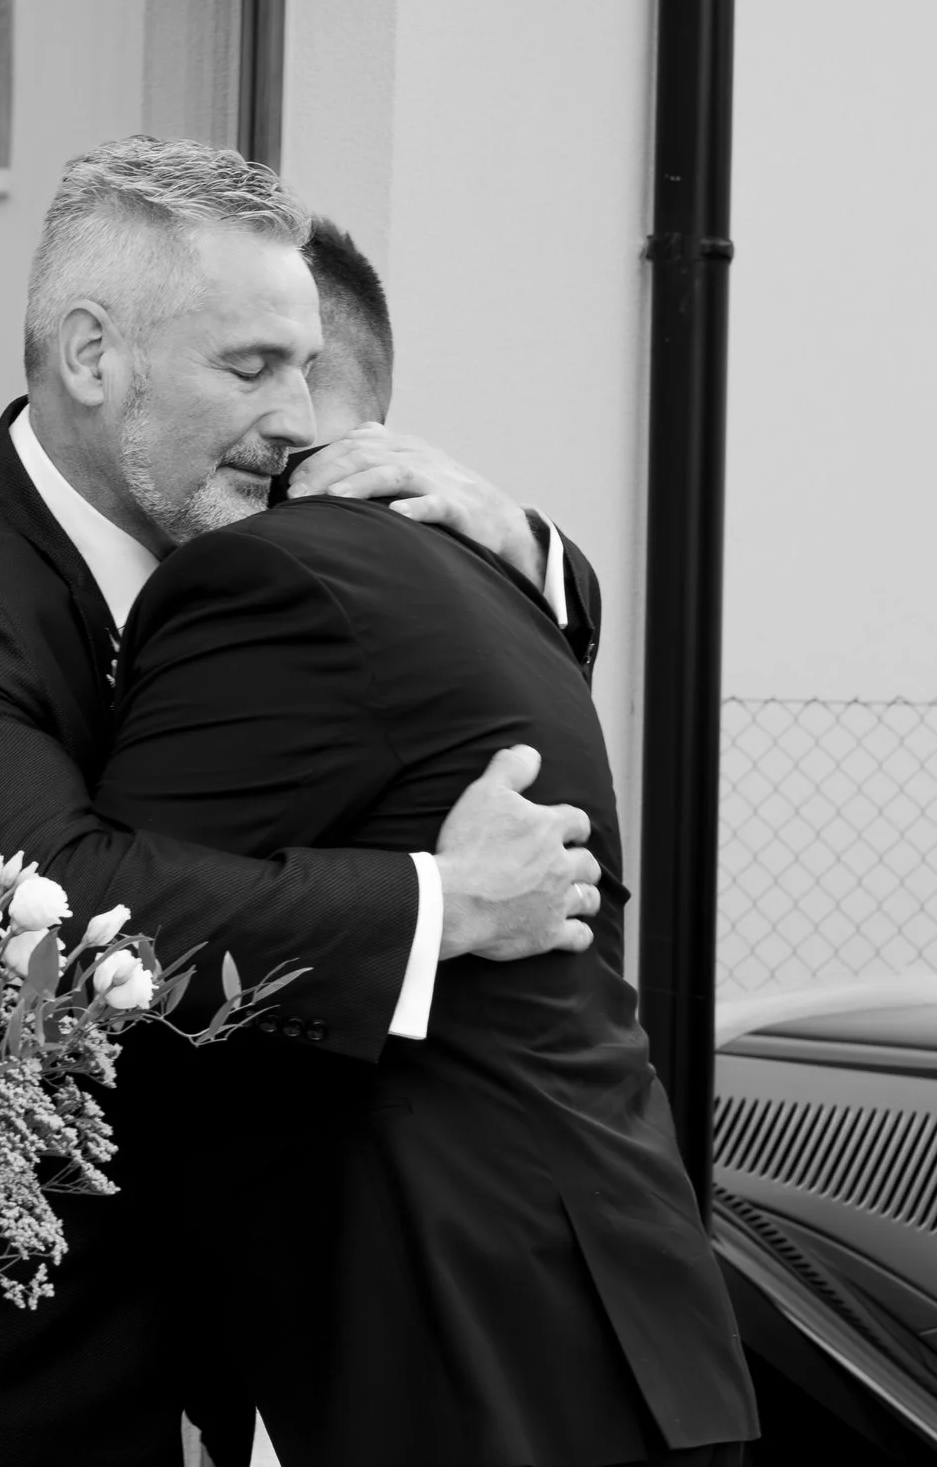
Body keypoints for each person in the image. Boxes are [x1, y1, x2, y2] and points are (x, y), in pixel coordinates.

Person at [0, 137, 606, 1464]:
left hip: (241, 1358)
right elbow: (51, 916)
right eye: (252, 368)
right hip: (26, 1381)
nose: (305, 417)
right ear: (95, 358)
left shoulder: (245, 571)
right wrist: (434, 906)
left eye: (305, 366)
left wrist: (518, 548)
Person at [97, 219, 757, 1467]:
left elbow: (110, 930)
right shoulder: (497, 573)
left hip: (468, 1350)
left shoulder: (270, 577)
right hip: (616, 1324)